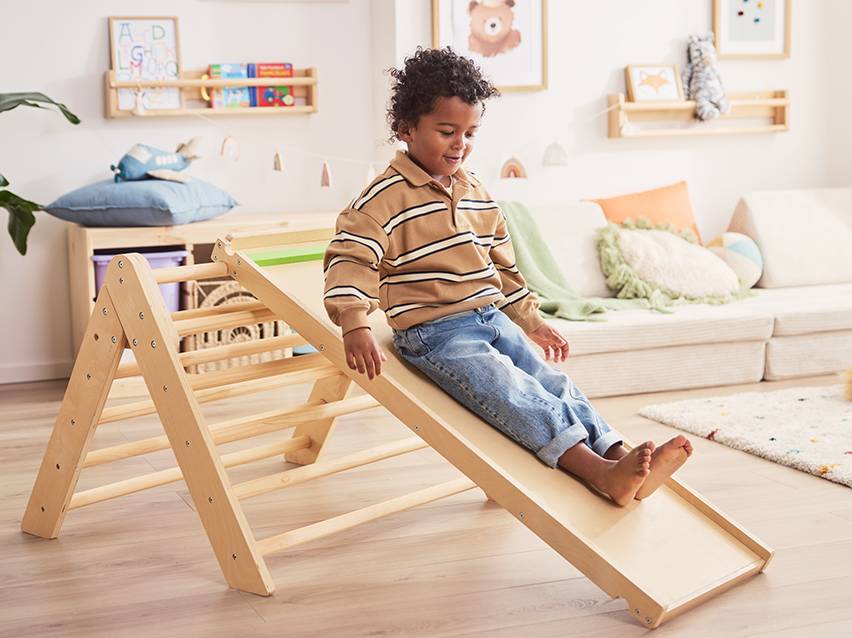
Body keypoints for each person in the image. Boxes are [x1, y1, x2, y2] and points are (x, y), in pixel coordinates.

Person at [322, 47, 692, 506]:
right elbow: (350, 258)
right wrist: (354, 321)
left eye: (471, 132)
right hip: (435, 335)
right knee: (512, 392)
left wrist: (530, 319)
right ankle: (599, 473)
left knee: (553, 384)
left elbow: (501, 263)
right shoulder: (382, 198)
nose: (460, 144)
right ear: (406, 129)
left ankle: (617, 451)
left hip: (491, 318)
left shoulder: (476, 190)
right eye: (446, 131)